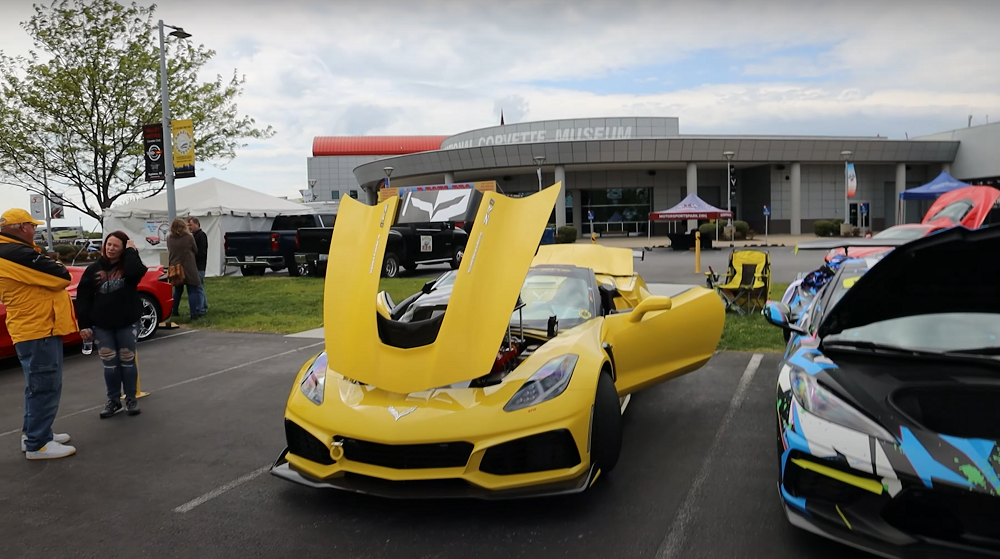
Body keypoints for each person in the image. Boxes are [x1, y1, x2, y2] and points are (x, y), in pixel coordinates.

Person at [0, 209, 78, 459]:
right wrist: (54, 264)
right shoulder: (14, 252)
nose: (35, 230)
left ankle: (34, 432)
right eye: (32, 226)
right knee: (45, 384)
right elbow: (61, 276)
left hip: (35, 326)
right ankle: (38, 443)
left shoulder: (13, 250)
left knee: (37, 385)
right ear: (22, 227)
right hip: (38, 327)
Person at [76, 231, 148, 418]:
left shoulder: (128, 267)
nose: (110, 248)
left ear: (123, 248)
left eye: (116, 245)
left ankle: (131, 398)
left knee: (127, 360)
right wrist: (84, 324)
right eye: (108, 244)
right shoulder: (93, 270)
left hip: (127, 322)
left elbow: (137, 272)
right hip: (102, 325)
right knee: (110, 364)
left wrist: (132, 252)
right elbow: (83, 298)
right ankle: (113, 400)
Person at [166, 217, 205, 320]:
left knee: (177, 290)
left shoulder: (169, 238)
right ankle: (194, 313)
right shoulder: (189, 237)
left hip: (175, 266)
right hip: (188, 266)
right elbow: (195, 250)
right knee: (192, 289)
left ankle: (174, 311)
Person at [187, 217, 208, 314]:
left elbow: (202, 252)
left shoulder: (201, 236)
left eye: (190, 225)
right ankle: (202, 306)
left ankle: (201, 308)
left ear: (197, 224)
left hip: (199, 266)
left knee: (199, 287)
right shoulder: (194, 236)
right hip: (195, 266)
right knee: (199, 287)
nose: (189, 227)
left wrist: (192, 255)